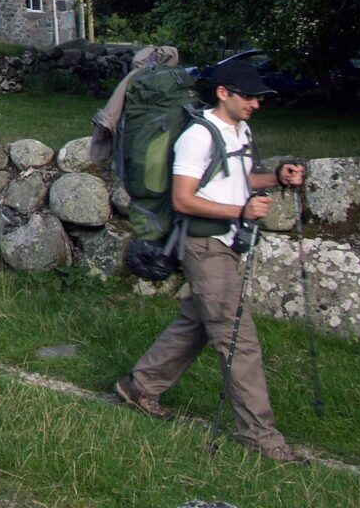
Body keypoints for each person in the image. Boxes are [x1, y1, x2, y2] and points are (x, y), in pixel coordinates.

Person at [114, 61, 307, 463]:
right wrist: (241, 211)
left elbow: (234, 176)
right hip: (204, 245)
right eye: (248, 96)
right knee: (239, 339)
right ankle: (261, 438)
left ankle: (139, 386)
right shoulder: (197, 137)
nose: (256, 103)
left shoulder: (239, 130)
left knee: (198, 323)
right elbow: (184, 198)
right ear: (224, 93)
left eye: (259, 97)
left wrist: (276, 178)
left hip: (226, 241)